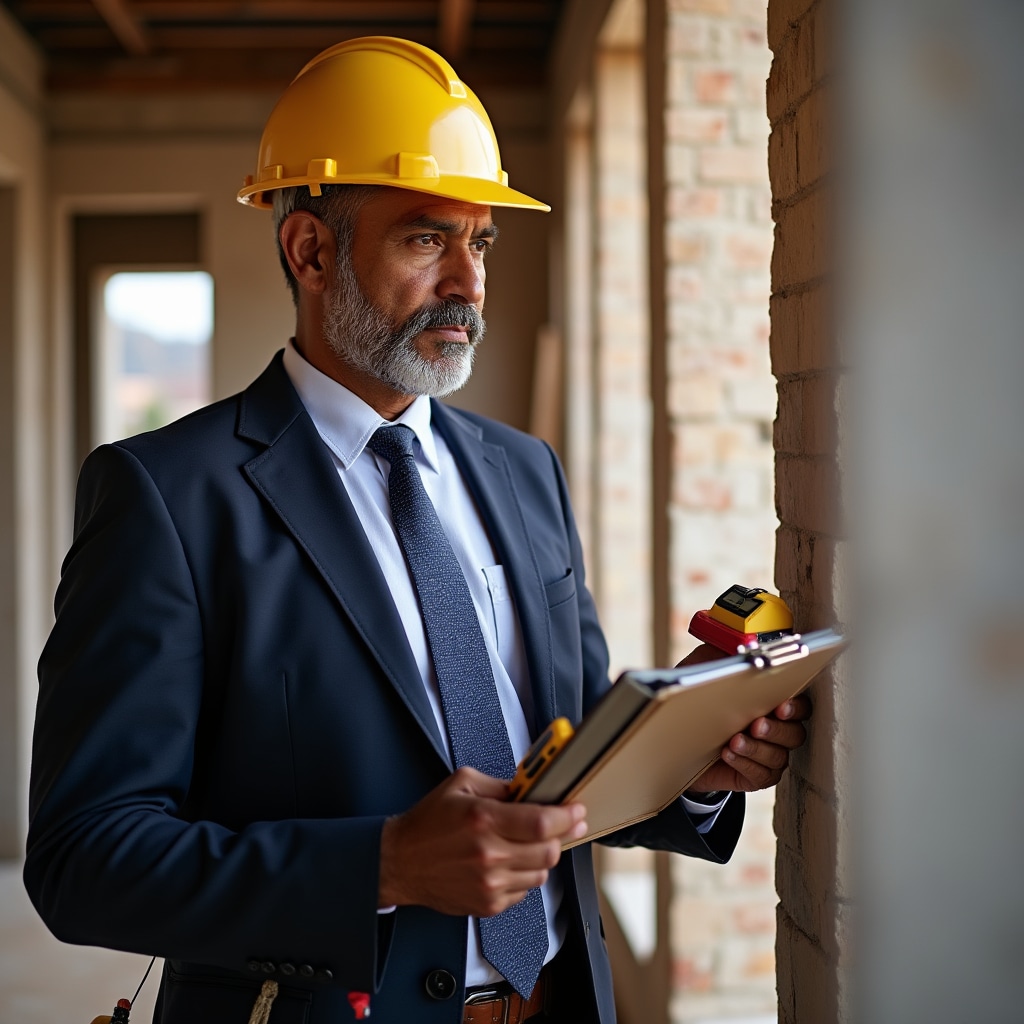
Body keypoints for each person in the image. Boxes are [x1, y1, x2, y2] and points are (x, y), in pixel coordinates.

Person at [24, 37, 809, 1024]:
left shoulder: (526, 472)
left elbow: (562, 760)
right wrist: (382, 863)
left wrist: (681, 773)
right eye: (426, 240)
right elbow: (82, 858)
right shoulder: (166, 496)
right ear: (310, 249)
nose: (469, 286)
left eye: (479, 243)